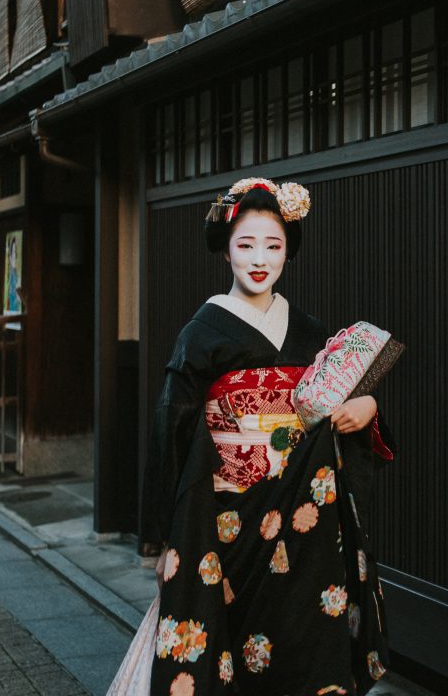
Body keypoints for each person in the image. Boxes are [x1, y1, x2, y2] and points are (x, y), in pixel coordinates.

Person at [138, 177, 395, 695]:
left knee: (306, 638)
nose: (259, 258)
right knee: (228, 644)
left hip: (306, 518)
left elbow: (339, 406)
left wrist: (367, 406)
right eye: (246, 244)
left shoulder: (309, 329)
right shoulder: (203, 332)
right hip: (229, 517)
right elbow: (172, 429)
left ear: (287, 253)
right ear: (226, 250)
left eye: (273, 246)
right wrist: (164, 537)